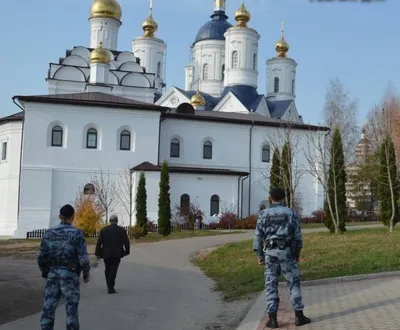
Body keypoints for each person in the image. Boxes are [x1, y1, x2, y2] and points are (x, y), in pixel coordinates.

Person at [253, 188, 311, 329]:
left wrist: (259, 255)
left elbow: (257, 238)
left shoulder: (263, 214)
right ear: (283, 198)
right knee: (294, 282)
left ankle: (272, 319)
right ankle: (299, 316)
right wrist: (297, 254)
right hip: (287, 253)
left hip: (270, 254)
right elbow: (298, 237)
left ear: (270, 198)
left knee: (271, 284)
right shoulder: (291, 213)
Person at [37, 204, 91, 330]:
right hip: (70, 275)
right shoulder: (76, 233)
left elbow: (41, 256)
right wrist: (86, 273)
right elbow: (83, 257)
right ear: (73, 217)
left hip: (52, 274)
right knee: (71, 309)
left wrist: (44, 270)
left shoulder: (49, 233)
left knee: (48, 307)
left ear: (60, 216)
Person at [95, 215, 130, 294]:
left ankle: (109, 285)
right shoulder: (121, 230)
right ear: (117, 221)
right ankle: (110, 287)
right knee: (113, 270)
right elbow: (126, 242)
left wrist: (97, 253)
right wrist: (127, 251)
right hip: (117, 253)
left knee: (107, 269)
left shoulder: (104, 230)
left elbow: (99, 242)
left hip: (106, 253)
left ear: (110, 221)